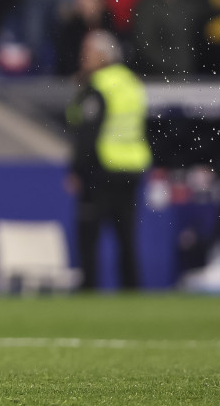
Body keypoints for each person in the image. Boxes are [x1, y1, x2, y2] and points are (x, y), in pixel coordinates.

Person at [65, 30, 152, 290]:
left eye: (88, 53)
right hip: (132, 167)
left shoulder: (98, 86)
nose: (83, 59)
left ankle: (89, 290)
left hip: (101, 169)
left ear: (103, 56)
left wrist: (77, 169)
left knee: (89, 236)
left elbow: (86, 130)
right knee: (126, 237)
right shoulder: (132, 83)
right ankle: (132, 290)